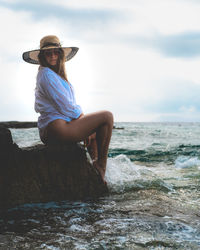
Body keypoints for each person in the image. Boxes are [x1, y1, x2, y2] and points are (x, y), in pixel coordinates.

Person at [22, 35, 113, 182]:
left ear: (60, 54)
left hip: (55, 127)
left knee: (95, 131)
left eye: (56, 52)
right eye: (48, 52)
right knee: (107, 117)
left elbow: (68, 106)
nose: (52, 55)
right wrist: (82, 119)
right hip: (56, 128)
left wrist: (87, 127)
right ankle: (101, 168)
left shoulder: (54, 75)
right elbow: (66, 106)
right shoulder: (46, 74)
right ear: (42, 56)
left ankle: (94, 165)